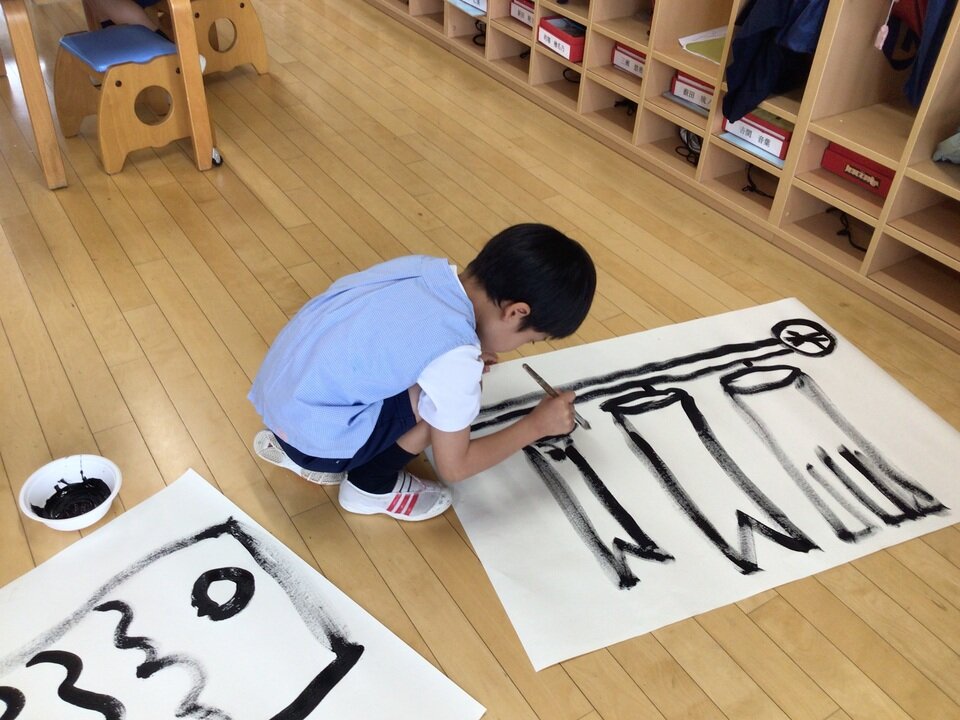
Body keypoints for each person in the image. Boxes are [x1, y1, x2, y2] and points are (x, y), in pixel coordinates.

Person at [249, 223, 597, 522]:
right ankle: (370, 485)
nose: (523, 346)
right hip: (317, 441)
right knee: (450, 398)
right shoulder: (455, 356)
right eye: (531, 339)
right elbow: (455, 467)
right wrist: (536, 425)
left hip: (282, 400)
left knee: (445, 384)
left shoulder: (422, 269)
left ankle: (298, 447)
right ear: (516, 312)